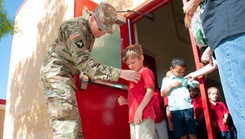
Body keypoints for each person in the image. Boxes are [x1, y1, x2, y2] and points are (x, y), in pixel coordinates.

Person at [40, 2, 140, 138]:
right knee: (67, 126)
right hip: (56, 72)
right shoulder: (74, 28)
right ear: (92, 18)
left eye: (106, 30)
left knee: (76, 128)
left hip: (66, 75)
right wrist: (121, 73)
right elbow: (85, 64)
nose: (103, 33)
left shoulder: (90, 33)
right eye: (101, 28)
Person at [183, 0, 245, 138]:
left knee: (241, 107)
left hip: (230, 28)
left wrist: (193, 2)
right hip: (236, 25)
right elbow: (214, 64)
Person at [118, 44, 155, 139]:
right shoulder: (133, 77)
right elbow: (137, 96)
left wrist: (139, 109)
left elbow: (150, 91)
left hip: (144, 114)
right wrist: (126, 101)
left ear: (141, 58)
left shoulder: (145, 71)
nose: (130, 66)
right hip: (134, 116)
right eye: (128, 64)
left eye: (133, 62)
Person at [160, 57, 198, 139]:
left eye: (183, 72)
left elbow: (198, 85)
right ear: (171, 69)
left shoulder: (185, 79)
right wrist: (171, 86)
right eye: (178, 71)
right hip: (175, 110)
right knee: (182, 134)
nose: (181, 73)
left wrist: (200, 74)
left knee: (192, 133)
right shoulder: (166, 80)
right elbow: (162, 94)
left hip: (188, 107)